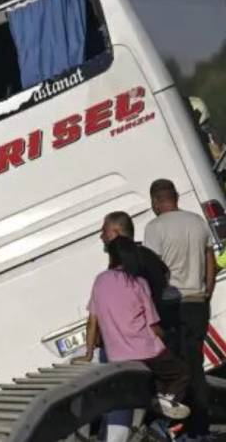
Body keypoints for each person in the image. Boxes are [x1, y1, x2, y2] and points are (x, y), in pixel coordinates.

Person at [77, 236, 191, 420]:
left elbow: (92, 321)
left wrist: (89, 353)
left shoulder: (100, 281)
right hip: (145, 350)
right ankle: (166, 400)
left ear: (111, 257)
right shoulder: (139, 283)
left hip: (117, 355)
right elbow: (153, 326)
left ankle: (160, 402)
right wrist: (167, 338)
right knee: (181, 372)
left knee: (157, 378)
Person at [143, 179, 217, 436]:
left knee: (176, 369)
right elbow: (210, 261)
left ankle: (181, 425)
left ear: (155, 202)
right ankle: (201, 424)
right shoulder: (197, 222)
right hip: (197, 302)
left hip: (172, 306)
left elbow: (153, 268)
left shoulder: (154, 228)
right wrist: (207, 292)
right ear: (175, 197)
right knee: (195, 364)